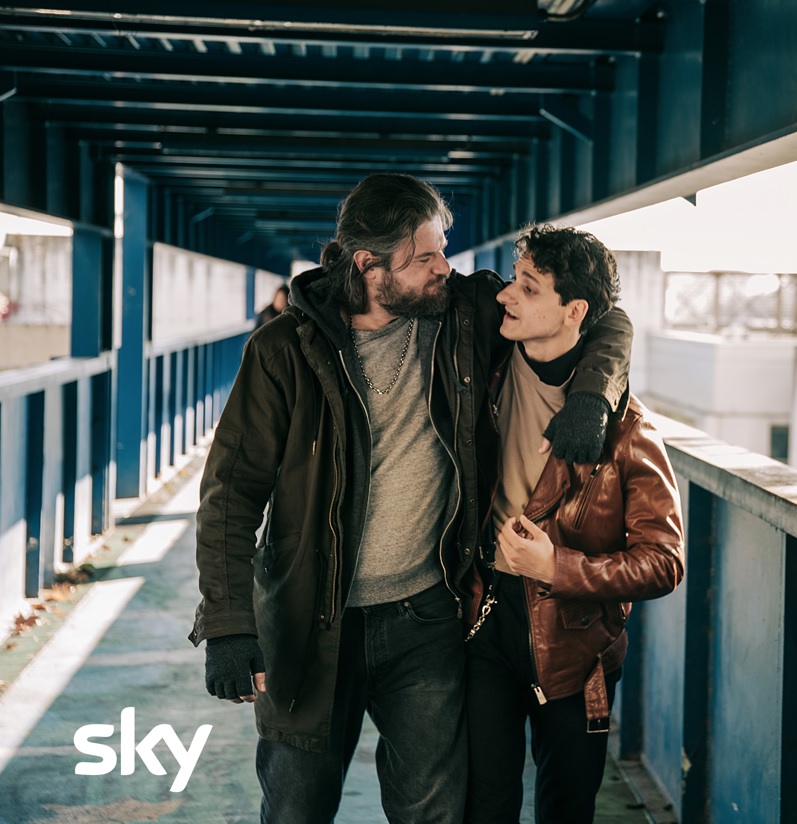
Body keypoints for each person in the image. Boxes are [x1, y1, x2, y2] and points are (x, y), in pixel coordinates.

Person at [189, 175, 632, 824]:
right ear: (369, 265)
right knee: (295, 809)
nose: (443, 268)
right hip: (312, 622)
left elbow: (605, 316)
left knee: (434, 814)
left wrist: (592, 395)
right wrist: (228, 624)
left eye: (442, 250)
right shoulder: (282, 350)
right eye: (425, 257)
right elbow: (231, 493)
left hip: (425, 619)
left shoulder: (462, 316)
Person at [463, 225, 684, 824]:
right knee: (485, 804)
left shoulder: (627, 431)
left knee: (565, 809)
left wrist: (554, 567)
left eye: (529, 288)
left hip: (573, 640)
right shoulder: (484, 373)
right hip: (486, 616)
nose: (509, 295)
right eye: (514, 279)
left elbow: (664, 561)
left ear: (573, 311)